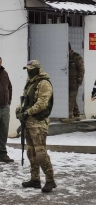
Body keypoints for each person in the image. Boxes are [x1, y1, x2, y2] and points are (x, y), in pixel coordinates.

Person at [16, 60, 56, 193]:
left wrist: (27, 112)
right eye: (27, 68)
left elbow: (42, 103)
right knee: (31, 152)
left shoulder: (44, 83)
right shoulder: (30, 83)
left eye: (30, 68)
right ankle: (35, 179)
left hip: (38, 123)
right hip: (29, 122)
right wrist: (20, 110)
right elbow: (26, 101)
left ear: (37, 69)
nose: (28, 70)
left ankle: (50, 180)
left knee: (40, 153)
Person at [60, 42, 84, 123]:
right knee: (71, 98)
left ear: (69, 49)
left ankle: (69, 116)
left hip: (74, 82)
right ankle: (77, 114)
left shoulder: (76, 57)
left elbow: (81, 70)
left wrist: (79, 81)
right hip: (65, 82)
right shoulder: (63, 57)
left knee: (71, 97)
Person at [0, 57, 14, 163]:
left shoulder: (4, 73)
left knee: (4, 131)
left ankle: (3, 154)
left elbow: (9, 87)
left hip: (5, 107)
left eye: (0, 62)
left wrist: (9, 101)